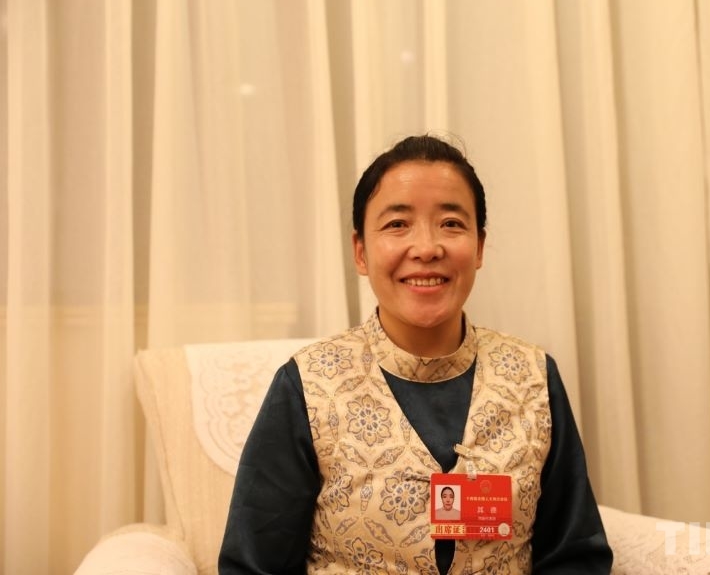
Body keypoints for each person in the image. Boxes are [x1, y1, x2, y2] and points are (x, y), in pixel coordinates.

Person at [219, 134, 613, 574]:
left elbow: (575, 557)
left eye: (451, 223)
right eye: (397, 224)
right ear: (361, 252)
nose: (426, 248)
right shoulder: (307, 385)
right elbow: (254, 567)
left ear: (479, 247)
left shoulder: (532, 377)